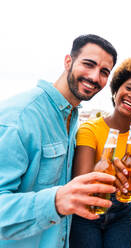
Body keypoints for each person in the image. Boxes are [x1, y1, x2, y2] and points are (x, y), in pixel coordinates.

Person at [0, 34, 119, 247]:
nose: (94, 77)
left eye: (104, 72)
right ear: (68, 61)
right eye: (88, 64)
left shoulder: (71, 117)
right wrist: (56, 201)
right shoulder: (19, 117)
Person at [69, 57, 131, 248]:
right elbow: (82, 183)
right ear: (116, 90)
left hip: (122, 213)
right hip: (88, 212)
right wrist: (114, 175)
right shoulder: (90, 129)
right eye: (128, 88)